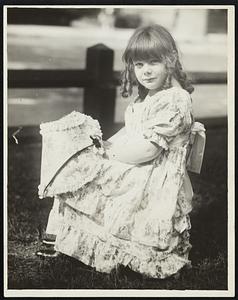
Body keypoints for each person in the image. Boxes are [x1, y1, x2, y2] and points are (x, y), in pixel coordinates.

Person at [36, 24, 206, 279]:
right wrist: (104, 145)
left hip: (153, 174)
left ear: (169, 61)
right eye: (139, 65)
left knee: (90, 174)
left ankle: (78, 240)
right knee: (80, 162)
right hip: (139, 160)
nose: (146, 71)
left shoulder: (174, 100)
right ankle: (61, 235)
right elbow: (131, 132)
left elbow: (149, 149)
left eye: (153, 62)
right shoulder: (150, 96)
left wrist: (109, 156)